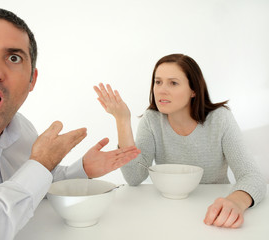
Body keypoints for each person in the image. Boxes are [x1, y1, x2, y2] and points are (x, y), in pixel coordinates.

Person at [0, 8, 141, 239]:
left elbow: (35, 182)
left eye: (13, 58)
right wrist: (40, 162)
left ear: (32, 80)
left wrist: (82, 169)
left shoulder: (20, 127)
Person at [94, 53, 266, 228]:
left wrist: (236, 202)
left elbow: (252, 176)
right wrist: (122, 120)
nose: (161, 90)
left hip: (212, 210)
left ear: (194, 90)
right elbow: (134, 177)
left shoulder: (220, 118)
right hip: (168, 212)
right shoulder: (151, 120)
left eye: (173, 83)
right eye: (158, 82)